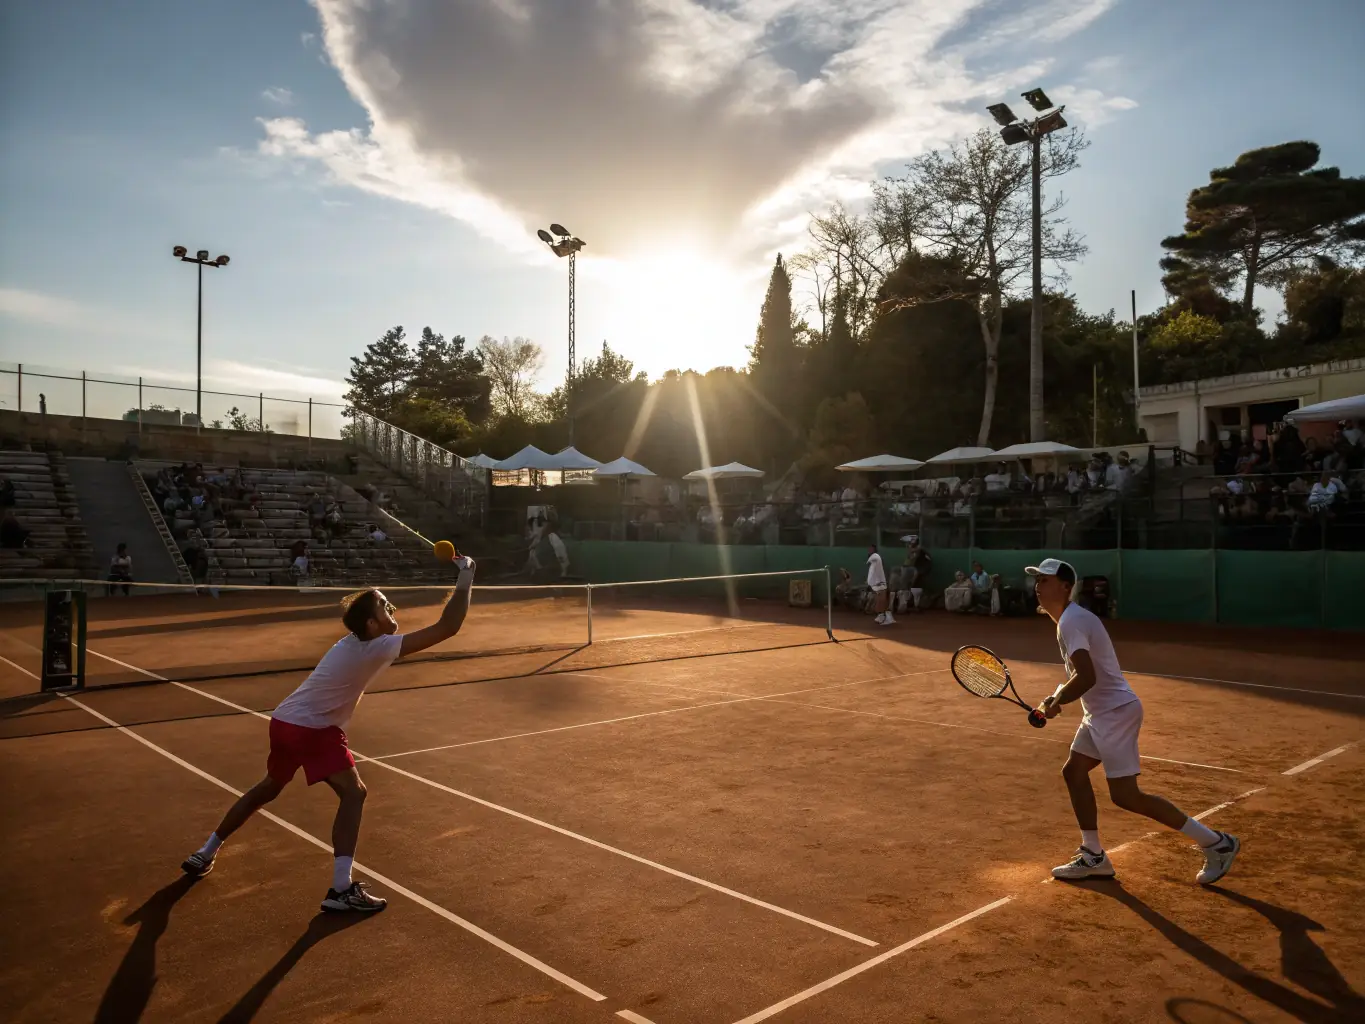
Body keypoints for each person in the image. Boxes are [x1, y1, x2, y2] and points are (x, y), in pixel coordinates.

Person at [181, 557, 477, 911]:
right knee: (354, 795)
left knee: (268, 788)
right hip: (313, 729)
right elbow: (449, 626)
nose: (392, 609)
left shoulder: (354, 642)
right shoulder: (378, 645)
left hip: (285, 722)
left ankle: (205, 851)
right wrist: (466, 576)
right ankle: (341, 889)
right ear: (371, 623)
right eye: (385, 606)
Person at [1027, 558, 1240, 885]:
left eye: (1045, 580)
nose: (1038, 586)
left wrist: (1058, 703)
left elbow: (1087, 675)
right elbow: (1078, 675)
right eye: (1037, 580)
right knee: (1073, 771)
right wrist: (1053, 698)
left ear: (1066, 587)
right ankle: (1093, 854)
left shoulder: (1071, 622)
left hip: (1114, 713)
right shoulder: (1069, 621)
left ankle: (1216, 843)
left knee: (1126, 796)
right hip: (1102, 712)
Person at [867, 544, 892, 625]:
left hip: (881, 583)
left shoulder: (878, 560)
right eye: (869, 549)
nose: (870, 550)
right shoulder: (872, 560)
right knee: (879, 601)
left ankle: (887, 617)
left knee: (882, 601)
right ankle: (882, 616)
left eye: (872, 549)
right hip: (877, 584)